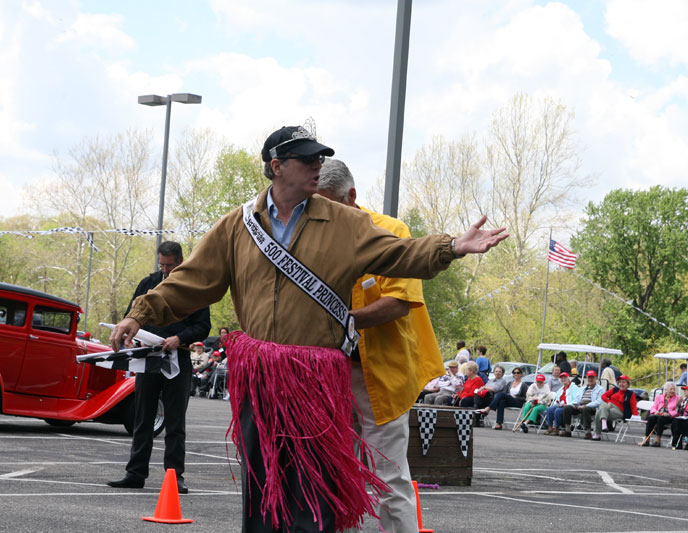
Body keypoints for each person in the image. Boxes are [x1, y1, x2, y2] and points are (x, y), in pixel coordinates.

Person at [108, 123, 507, 532]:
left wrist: (452, 247)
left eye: (320, 157)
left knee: (314, 486)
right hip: (261, 373)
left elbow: (399, 253)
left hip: (316, 378)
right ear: (277, 166)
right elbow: (192, 280)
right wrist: (140, 313)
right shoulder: (238, 226)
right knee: (263, 479)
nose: (319, 165)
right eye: (308, 158)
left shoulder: (344, 223)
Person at [318, 158, 445, 531]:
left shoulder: (390, 231)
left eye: (328, 204)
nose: (319, 213)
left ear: (352, 196)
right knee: (335, 473)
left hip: (382, 375)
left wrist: (337, 322)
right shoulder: (312, 236)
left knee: (388, 477)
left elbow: (398, 303)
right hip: (330, 373)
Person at [107, 241, 211, 493]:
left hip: (178, 358)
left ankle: (175, 477)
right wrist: (130, 333)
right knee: (143, 417)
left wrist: (179, 338)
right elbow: (132, 313)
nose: (165, 271)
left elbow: (203, 326)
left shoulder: (193, 287)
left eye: (170, 265)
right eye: (162, 265)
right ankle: (135, 473)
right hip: (149, 356)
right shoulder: (148, 283)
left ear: (181, 261)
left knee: (175, 422)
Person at [592, 374, 638, 441]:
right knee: (603, 405)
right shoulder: (615, 389)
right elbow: (603, 396)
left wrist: (635, 416)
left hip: (619, 411)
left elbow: (633, 405)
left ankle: (597, 434)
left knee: (599, 412)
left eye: (623, 382)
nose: (621, 384)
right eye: (620, 382)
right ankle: (604, 423)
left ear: (627, 385)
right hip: (609, 407)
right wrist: (608, 402)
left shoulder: (630, 394)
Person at [561, 370, 605, 438]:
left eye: (592, 377)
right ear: (587, 378)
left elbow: (599, 401)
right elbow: (578, 398)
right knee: (567, 408)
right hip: (580, 405)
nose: (590, 379)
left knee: (586, 409)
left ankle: (588, 432)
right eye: (589, 377)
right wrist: (574, 404)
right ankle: (568, 430)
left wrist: (586, 405)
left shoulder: (600, 389)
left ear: (595, 378)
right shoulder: (582, 388)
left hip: (592, 406)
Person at [641, 382, 679, 448]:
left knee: (660, 419)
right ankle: (647, 439)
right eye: (671, 389)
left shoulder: (677, 398)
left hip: (670, 417)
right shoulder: (659, 397)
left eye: (674, 389)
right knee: (651, 418)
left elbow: (677, 411)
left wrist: (669, 414)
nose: (673, 391)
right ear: (666, 390)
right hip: (659, 414)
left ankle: (658, 441)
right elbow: (653, 407)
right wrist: (655, 412)